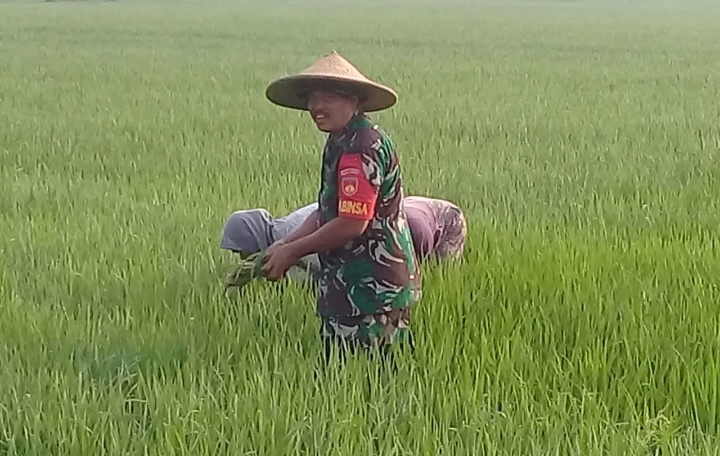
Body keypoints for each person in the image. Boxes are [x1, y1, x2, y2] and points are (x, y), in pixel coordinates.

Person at [258, 51, 421, 362]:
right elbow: (327, 211)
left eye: (329, 96)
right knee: (341, 377)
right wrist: (285, 242)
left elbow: (351, 222)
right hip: (350, 286)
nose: (317, 107)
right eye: (312, 98)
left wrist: (293, 253)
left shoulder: (360, 147)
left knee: (370, 379)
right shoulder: (341, 140)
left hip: (372, 289)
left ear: (355, 100)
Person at [219, 196, 466, 280]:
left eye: (242, 252)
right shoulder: (282, 235)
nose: (242, 258)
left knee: (439, 278)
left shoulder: (299, 242)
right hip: (404, 213)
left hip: (443, 219)